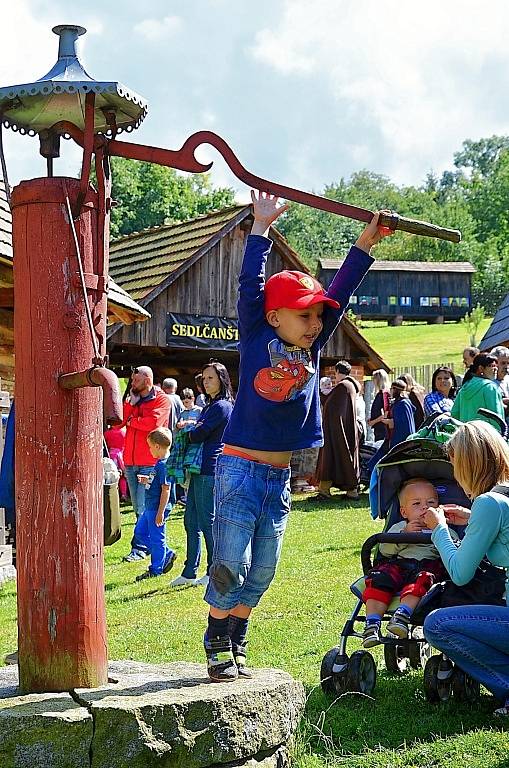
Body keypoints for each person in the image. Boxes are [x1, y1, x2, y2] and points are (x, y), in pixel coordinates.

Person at [202, 190, 394, 683]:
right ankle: (216, 636)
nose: (314, 324)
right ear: (274, 317)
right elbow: (250, 285)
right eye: (304, 315)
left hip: (278, 477)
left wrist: (365, 244)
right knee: (231, 561)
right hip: (240, 469)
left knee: (263, 568)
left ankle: (238, 634)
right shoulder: (255, 333)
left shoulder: (312, 345)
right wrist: (260, 230)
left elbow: (344, 290)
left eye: (317, 317)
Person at [423, 421, 509, 717]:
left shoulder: (488, 503)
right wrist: (471, 517)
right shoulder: (502, 496)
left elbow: (460, 572)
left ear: (469, 463)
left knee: (436, 625)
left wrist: (439, 530)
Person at [362, 478, 459, 648]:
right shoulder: (400, 527)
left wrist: (440, 534)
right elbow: (385, 550)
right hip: (399, 565)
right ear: (404, 512)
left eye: (431, 502)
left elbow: (455, 550)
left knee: (423, 579)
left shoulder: (443, 529)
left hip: (427, 566)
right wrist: (404, 534)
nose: (425, 507)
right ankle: (372, 623)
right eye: (416, 504)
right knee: (378, 579)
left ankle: (402, 614)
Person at [170, 361, 234, 590]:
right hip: (198, 468)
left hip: (209, 468)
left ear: (222, 380)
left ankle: (213, 570)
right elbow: (196, 432)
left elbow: (198, 435)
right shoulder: (209, 406)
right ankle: (189, 572)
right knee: (190, 521)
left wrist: (186, 430)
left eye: (211, 378)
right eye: (204, 379)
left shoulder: (222, 406)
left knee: (208, 521)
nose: (206, 383)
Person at [122, 366, 171, 562]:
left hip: (149, 462)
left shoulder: (161, 399)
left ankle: (141, 548)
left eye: (136, 380)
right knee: (138, 508)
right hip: (131, 461)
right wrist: (130, 408)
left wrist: (132, 419)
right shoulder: (133, 399)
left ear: (147, 380)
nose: (132, 384)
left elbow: (153, 424)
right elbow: (119, 421)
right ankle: (155, 549)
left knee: (145, 508)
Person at [133, 427, 177, 581]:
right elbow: (159, 483)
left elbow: (166, 489)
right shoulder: (159, 464)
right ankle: (167, 553)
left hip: (157, 508)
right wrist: (147, 480)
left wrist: (160, 512)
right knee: (140, 532)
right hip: (150, 506)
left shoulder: (164, 465)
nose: (150, 450)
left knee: (157, 538)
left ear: (157, 446)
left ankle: (156, 569)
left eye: (150, 447)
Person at [314, 360, 362, 501]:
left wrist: (322, 396)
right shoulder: (351, 386)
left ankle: (325, 491)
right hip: (347, 430)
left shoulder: (342, 386)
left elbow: (331, 408)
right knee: (346, 458)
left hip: (337, 431)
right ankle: (351, 491)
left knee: (330, 458)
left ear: (337, 372)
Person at [451, 353, 504, 427]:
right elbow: (497, 419)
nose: (495, 369)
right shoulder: (490, 387)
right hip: (487, 435)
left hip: (465, 435)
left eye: (496, 366)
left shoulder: (465, 386)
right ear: (481, 368)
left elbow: (454, 413)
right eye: (491, 366)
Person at [104, 424, 128, 502]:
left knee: (113, 475)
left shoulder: (107, 433)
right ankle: (124, 494)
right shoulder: (124, 432)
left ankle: (115, 493)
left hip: (111, 455)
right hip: (121, 455)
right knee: (123, 476)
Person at [368, 369, 391, 442]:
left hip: (382, 429)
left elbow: (385, 413)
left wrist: (373, 422)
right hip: (379, 428)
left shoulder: (384, 394)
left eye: (374, 379)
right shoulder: (381, 394)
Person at [490, 346, 509, 417]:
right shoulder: (489, 383)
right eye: (503, 363)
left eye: (508, 363)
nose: (506, 366)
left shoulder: (507, 379)